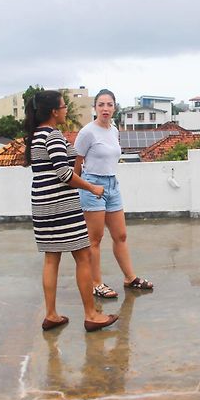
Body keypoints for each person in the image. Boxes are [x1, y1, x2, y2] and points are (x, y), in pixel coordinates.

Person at [23, 90, 118, 331]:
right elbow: (64, 174)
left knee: (51, 258)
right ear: (54, 111)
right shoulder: (52, 135)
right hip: (61, 206)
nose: (66, 110)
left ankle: (52, 314)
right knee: (83, 256)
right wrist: (91, 187)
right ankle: (91, 315)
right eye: (64, 106)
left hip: (42, 204)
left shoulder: (35, 135)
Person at [74, 89, 153, 298]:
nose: (105, 109)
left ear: (115, 107)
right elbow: (77, 163)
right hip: (92, 185)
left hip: (112, 185)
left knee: (121, 235)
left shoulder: (114, 130)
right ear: (95, 108)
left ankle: (130, 277)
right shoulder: (87, 132)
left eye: (109, 104)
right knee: (95, 239)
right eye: (101, 104)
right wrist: (82, 187)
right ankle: (96, 283)